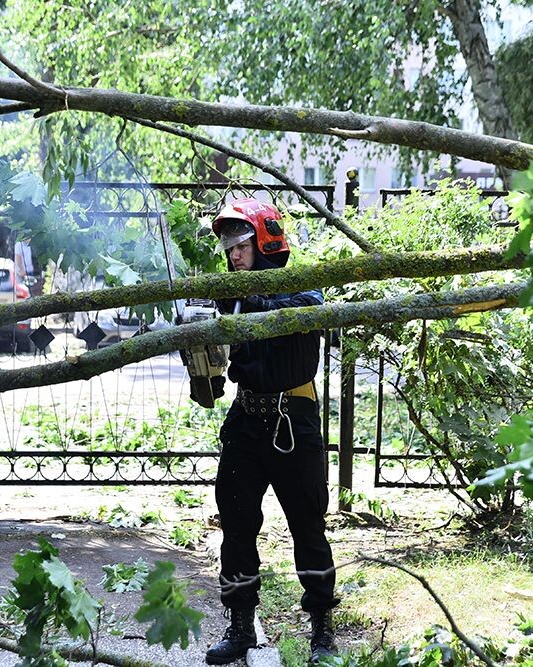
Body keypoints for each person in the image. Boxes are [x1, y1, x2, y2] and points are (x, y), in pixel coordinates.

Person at [205, 198, 339, 665]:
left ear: (264, 242)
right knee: (237, 525)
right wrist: (205, 375)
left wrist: (252, 301)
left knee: (308, 525)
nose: (232, 254)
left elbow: (300, 307)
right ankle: (241, 625)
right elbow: (222, 362)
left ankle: (322, 629)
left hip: (293, 421)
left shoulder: (304, 289)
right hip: (246, 421)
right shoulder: (232, 294)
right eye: (228, 246)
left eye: (240, 244)